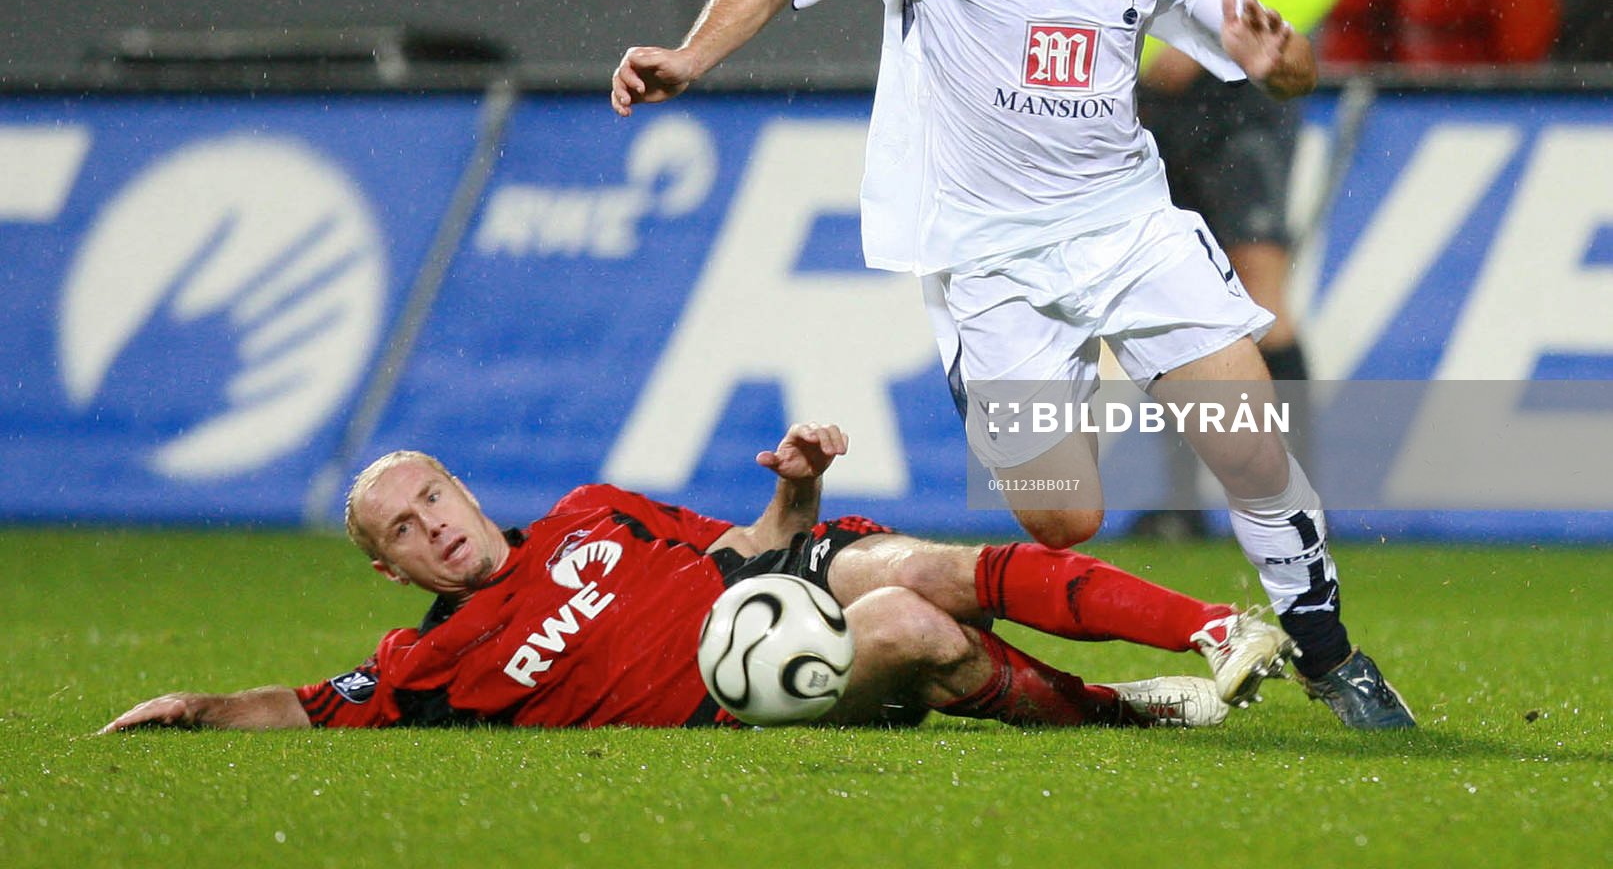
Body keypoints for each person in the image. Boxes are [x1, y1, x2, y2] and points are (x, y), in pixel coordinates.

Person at [609, 0, 1414, 729]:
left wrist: (1279, 53)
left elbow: (1281, 66)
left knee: (1247, 437)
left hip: (1127, 228)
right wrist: (688, 58)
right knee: (1063, 517)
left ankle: (1334, 660)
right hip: (988, 261)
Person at [102, 424, 1297, 734]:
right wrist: (202, 705)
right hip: (740, 684)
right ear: (386, 564)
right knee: (899, 620)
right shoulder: (431, 666)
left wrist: (796, 490)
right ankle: (1120, 705)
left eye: (434, 499)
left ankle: (1212, 628)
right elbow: (311, 706)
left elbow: (736, 548)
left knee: (925, 563)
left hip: (763, 587)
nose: (434, 529)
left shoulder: (588, 510)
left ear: (464, 490)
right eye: (405, 530)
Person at [1106, 0, 1341, 540]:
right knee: (1163, 303)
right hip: (1139, 106)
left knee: (1259, 299)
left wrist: (1222, 43)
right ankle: (1177, 504)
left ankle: (1303, 493)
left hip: (1237, 98)